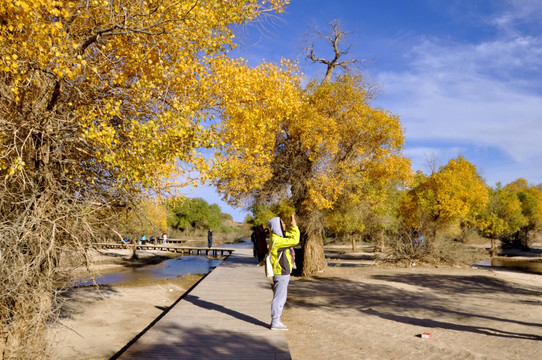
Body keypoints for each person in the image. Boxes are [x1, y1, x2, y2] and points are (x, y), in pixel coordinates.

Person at [268, 214, 300, 331]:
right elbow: (295, 240)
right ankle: (275, 322)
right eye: (282, 223)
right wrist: (295, 226)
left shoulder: (278, 237)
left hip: (283, 272)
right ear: (277, 226)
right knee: (279, 297)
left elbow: (290, 237)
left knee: (282, 297)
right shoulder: (277, 241)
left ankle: (276, 320)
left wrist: (292, 227)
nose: (285, 224)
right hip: (281, 273)